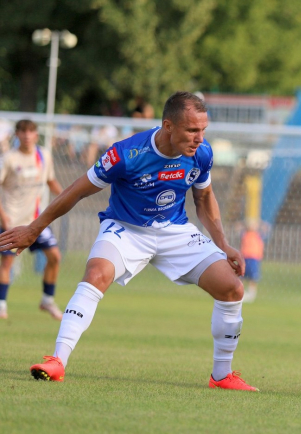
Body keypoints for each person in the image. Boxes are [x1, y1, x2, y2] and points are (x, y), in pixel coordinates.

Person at [0, 92, 258, 391]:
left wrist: (223, 244)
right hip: (126, 228)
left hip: (174, 230)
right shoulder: (126, 154)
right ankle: (57, 361)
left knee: (232, 288)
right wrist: (34, 228)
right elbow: (76, 191)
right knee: (96, 274)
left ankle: (222, 375)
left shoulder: (202, 153)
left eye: (203, 130)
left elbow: (204, 198)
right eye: (192, 130)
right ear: (168, 126)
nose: (199, 138)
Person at [0, 120, 64, 320]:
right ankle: (1, 305)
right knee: (7, 264)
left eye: (31, 132)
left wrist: (68, 196)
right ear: (17, 135)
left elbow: (50, 181)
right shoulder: (9, 159)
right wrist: (3, 217)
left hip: (36, 222)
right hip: (12, 220)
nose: (27, 135)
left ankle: (47, 300)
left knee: (54, 257)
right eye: (23, 131)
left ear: (36, 135)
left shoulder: (43, 155)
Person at [240, 219, 268, 303]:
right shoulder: (245, 234)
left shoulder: (258, 235)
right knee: (242, 276)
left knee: (253, 277)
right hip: (245, 257)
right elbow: (237, 227)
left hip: (254, 258)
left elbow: (266, 228)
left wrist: (259, 223)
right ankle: (241, 292)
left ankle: (251, 294)